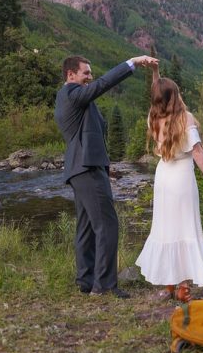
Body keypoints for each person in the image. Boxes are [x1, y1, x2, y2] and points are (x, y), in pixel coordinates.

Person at [55, 54, 158, 299]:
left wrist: (106, 165)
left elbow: (90, 133)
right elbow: (103, 85)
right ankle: (103, 286)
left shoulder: (73, 98)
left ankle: (87, 280)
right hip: (87, 168)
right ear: (71, 75)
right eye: (86, 73)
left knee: (87, 226)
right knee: (107, 224)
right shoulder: (71, 94)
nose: (90, 77)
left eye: (90, 73)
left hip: (83, 167)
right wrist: (131, 63)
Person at [135, 63, 203, 302]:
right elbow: (197, 153)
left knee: (166, 228)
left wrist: (155, 74)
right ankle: (183, 287)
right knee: (185, 228)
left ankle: (171, 283)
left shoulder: (153, 117)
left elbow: (157, 91)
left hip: (164, 177)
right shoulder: (186, 118)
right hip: (182, 177)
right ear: (175, 96)